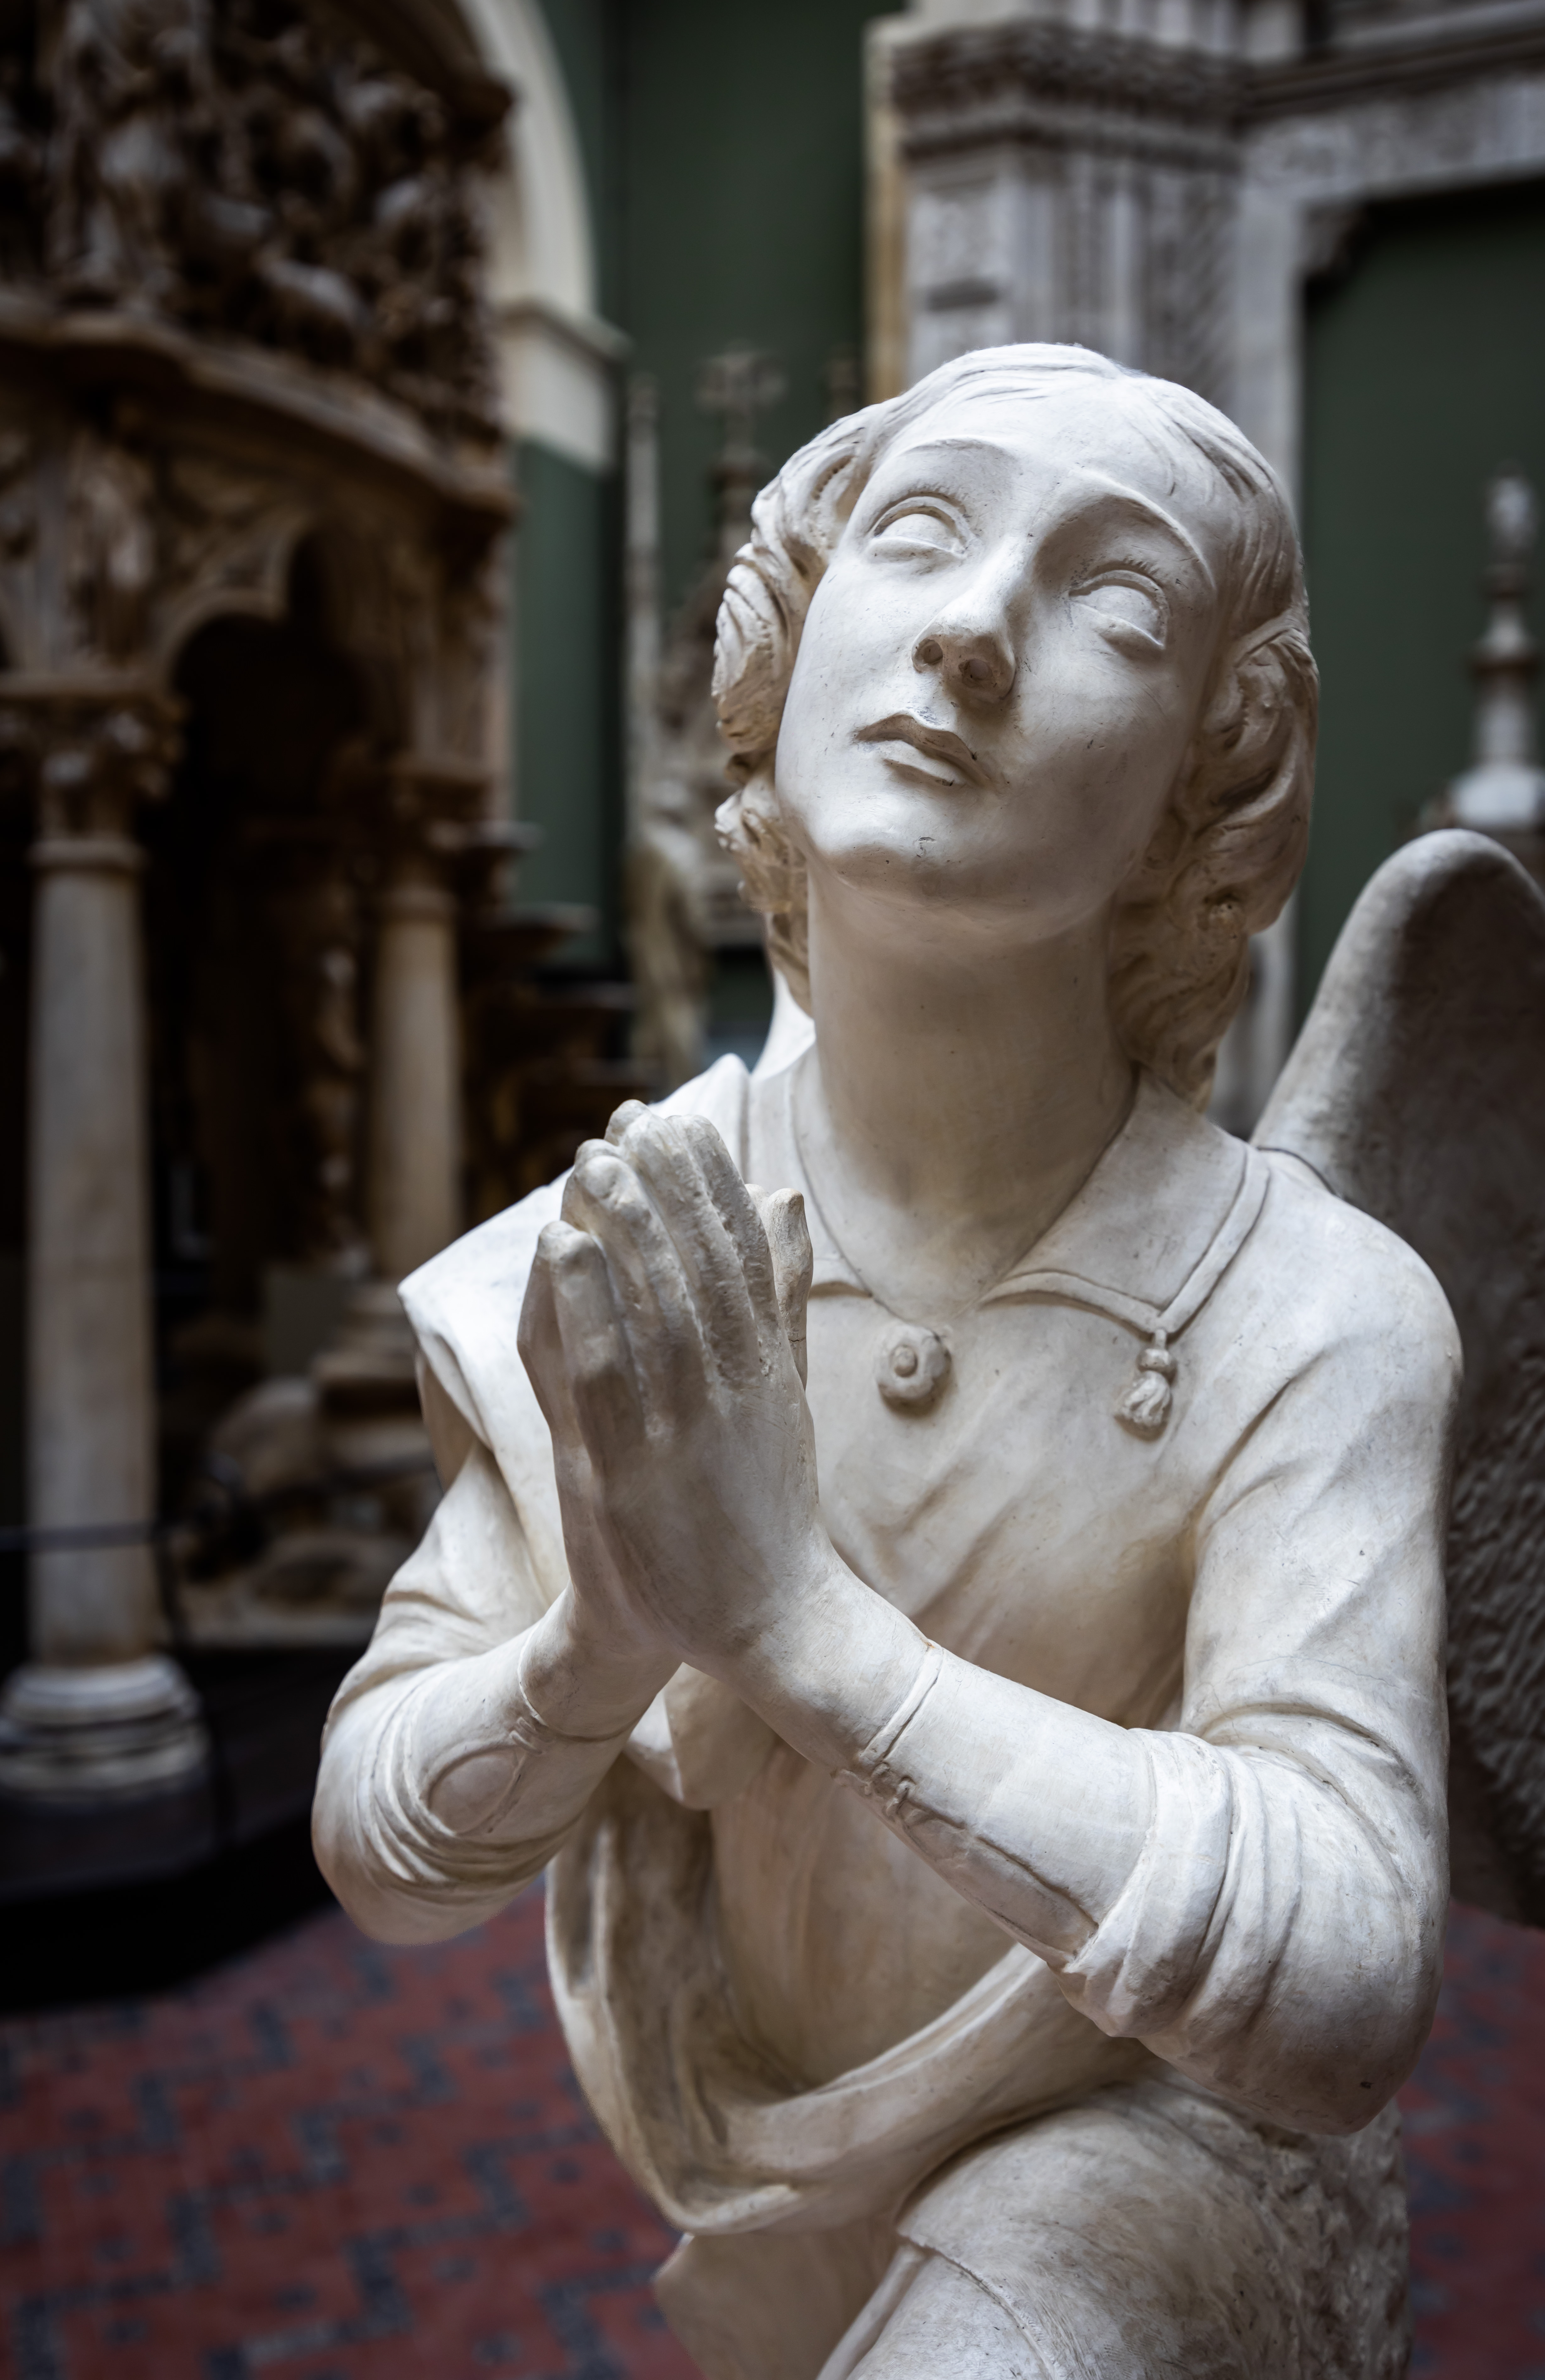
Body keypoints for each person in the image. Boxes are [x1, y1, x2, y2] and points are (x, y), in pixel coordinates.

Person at [313, 346, 1458, 2379]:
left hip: (1162, 2158)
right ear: (783, 650)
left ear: (1201, 791)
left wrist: (800, 1632)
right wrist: (597, 1643)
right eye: (921, 532)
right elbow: (380, 1847)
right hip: (767, 2179)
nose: (972, 628)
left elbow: (1347, 1966)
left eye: (1113, 604)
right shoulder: (630, 1249)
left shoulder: (1303, 1308)